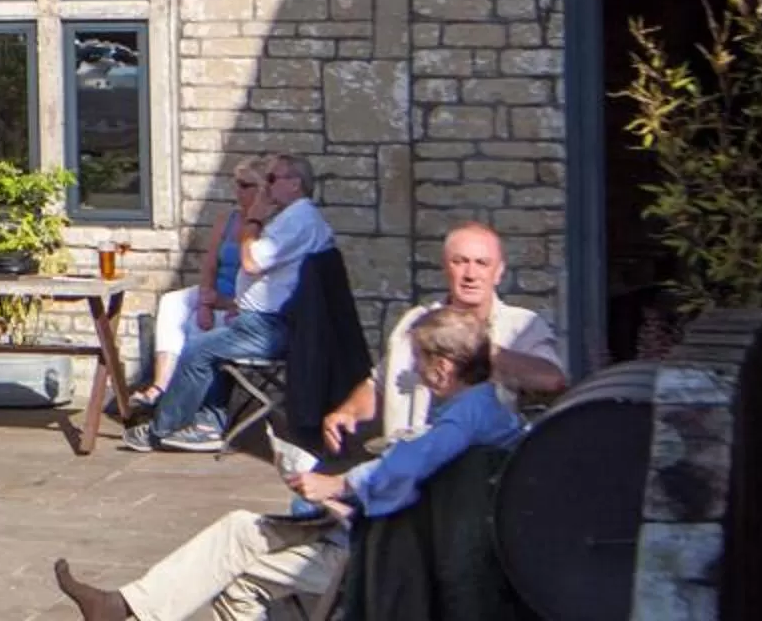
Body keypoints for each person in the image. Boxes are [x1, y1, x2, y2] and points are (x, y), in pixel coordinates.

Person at [55, 304, 527, 621]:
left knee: (239, 578)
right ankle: (126, 607)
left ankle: (128, 610)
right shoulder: (482, 410)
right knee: (241, 529)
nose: (418, 374)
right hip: (389, 536)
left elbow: (407, 468)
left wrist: (337, 488)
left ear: (443, 369)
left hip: (386, 560)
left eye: (422, 363)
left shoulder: (464, 419)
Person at [127, 152, 333, 452]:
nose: (266, 188)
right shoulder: (296, 218)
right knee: (203, 336)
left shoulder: (296, 220)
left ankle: (163, 429)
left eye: (272, 179)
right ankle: (208, 421)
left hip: (270, 327)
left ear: (295, 184)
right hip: (258, 319)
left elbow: (250, 262)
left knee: (198, 350)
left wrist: (254, 219)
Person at [321, 222, 566, 453]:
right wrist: (348, 412)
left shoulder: (521, 324)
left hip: (480, 471)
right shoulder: (415, 322)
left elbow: (553, 381)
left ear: (499, 272)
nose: (471, 274)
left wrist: (479, 350)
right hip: (409, 468)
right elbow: (380, 386)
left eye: (482, 263)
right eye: (460, 262)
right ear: (445, 268)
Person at [133, 157, 268, 408]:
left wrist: (226, 303)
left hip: (243, 303)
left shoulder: (270, 227)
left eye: (244, 185)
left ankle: (190, 405)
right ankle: (160, 385)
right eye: (236, 184)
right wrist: (206, 300)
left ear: (262, 189)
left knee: (198, 327)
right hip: (216, 292)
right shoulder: (227, 220)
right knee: (172, 302)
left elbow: (265, 284)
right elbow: (210, 265)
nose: (237, 191)